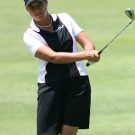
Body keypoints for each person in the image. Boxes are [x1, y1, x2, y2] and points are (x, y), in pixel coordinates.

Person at [23, 0, 100, 135]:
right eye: (31, 7)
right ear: (27, 9)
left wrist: (90, 53)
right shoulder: (29, 35)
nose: (36, 10)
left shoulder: (65, 18)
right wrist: (86, 54)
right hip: (50, 86)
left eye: (39, 4)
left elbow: (86, 42)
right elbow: (53, 57)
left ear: (46, 2)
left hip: (77, 84)